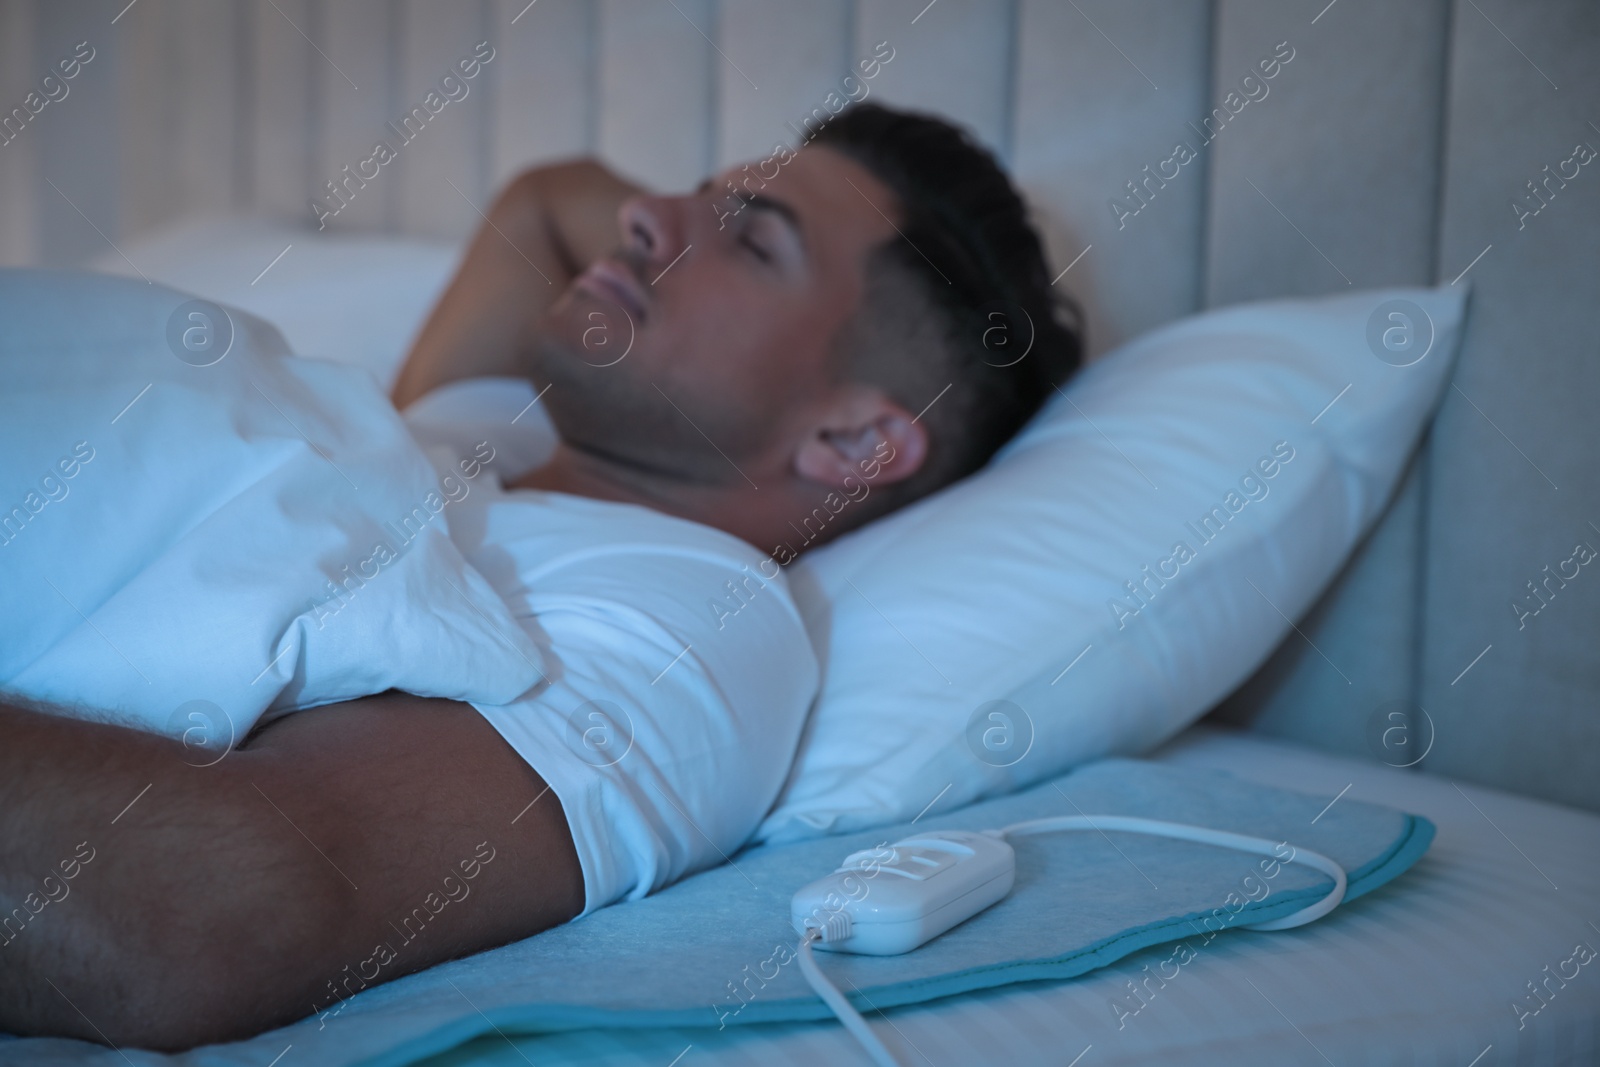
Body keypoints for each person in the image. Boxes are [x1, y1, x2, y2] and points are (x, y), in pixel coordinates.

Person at [0, 103, 1081, 1049]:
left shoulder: (697, 622)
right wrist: (707, 223)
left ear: (849, 441)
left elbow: (206, 914)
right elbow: (542, 202)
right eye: (690, 194)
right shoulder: (487, 427)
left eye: (751, 244)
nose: (645, 215)